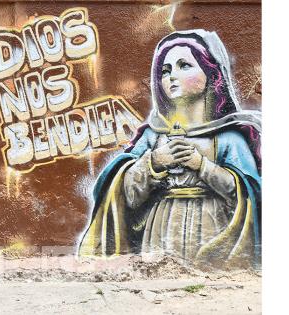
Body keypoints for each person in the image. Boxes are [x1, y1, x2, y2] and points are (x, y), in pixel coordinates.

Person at [77, 30, 261, 270]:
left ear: (212, 74)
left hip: (211, 231)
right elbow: (126, 195)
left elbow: (247, 194)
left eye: (184, 65)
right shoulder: (154, 135)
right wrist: (154, 162)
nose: (171, 76)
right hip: (159, 233)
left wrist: (201, 165)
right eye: (165, 70)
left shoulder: (228, 138)